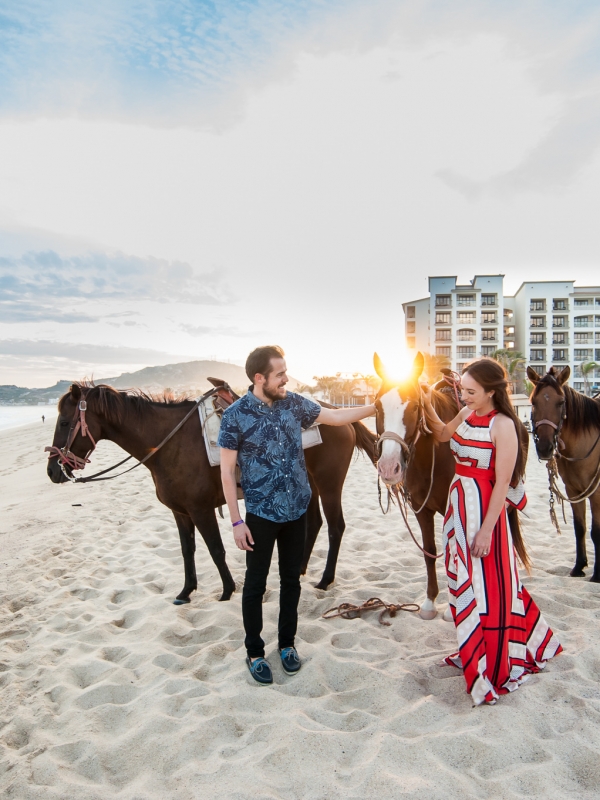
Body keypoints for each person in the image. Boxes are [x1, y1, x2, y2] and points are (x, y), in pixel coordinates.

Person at [218, 345, 376, 685]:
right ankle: (255, 651)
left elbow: (333, 417)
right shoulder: (235, 416)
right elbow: (227, 473)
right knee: (255, 587)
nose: (286, 378)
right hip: (259, 515)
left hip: (297, 512)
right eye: (279, 374)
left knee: (291, 582)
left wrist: (376, 407)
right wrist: (235, 520)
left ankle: (287, 645)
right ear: (259, 378)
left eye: (285, 372)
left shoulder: (293, 403)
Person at [422, 358, 562, 706]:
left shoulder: (503, 425)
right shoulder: (468, 413)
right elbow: (442, 434)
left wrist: (486, 531)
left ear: (490, 392)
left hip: (485, 511)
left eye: (471, 392)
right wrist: (423, 399)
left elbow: (502, 482)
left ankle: (495, 661)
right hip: (458, 507)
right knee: (463, 582)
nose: (464, 396)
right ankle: (473, 648)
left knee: (491, 588)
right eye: (463, 391)